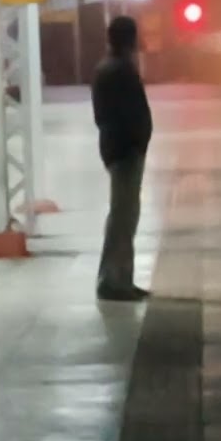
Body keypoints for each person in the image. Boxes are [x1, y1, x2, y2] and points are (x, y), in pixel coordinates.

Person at [91, 16, 152, 302]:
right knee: (123, 217)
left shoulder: (110, 67)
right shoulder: (120, 70)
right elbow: (128, 114)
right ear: (131, 39)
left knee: (123, 216)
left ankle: (120, 278)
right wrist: (137, 143)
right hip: (125, 150)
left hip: (119, 148)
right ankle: (115, 282)